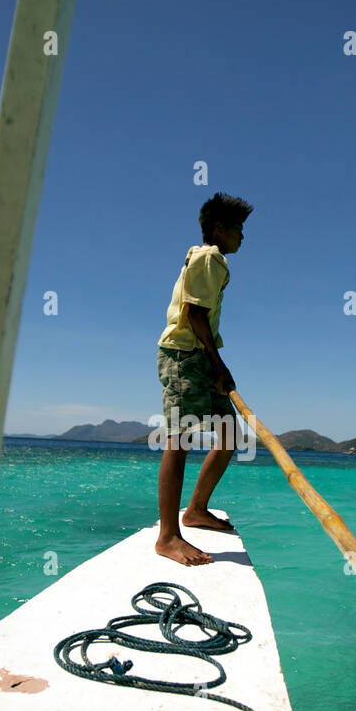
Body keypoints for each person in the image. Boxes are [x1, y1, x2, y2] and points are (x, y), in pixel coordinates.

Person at [154, 192, 253, 565]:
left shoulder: (212, 260)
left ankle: (195, 509)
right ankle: (167, 537)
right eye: (238, 229)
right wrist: (218, 365)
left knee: (231, 436)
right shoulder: (210, 257)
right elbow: (195, 315)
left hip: (199, 356)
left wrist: (214, 363)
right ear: (219, 229)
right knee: (178, 442)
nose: (243, 237)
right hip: (184, 356)